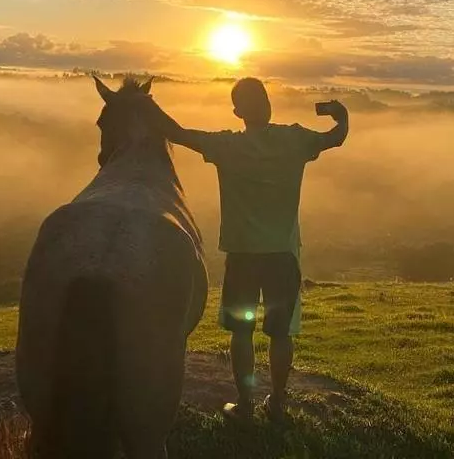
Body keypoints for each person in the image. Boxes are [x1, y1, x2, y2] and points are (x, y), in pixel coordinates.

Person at [146, 77, 348, 421]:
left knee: (242, 331)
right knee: (281, 333)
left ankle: (245, 404)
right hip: (282, 254)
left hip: (242, 254)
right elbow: (337, 137)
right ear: (267, 103)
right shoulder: (294, 140)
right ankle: (279, 404)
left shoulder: (227, 146)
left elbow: (177, 133)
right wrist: (339, 113)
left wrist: (142, 103)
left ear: (238, 111)